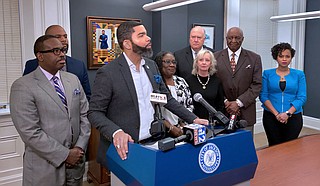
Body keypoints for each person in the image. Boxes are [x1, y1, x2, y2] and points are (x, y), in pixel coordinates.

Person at [88, 21, 208, 164]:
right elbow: (94, 112)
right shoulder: (108, 73)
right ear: (127, 44)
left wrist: (193, 119)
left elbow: (167, 99)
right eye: (141, 35)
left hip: (154, 144)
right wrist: (116, 132)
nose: (148, 38)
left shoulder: (151, 66)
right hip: (127, 148)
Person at [10, 35, 91, 186]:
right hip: (44, 168)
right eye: (55, 51)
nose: (62, 54)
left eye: (62, 50)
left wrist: (79, 148)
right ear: (40, 56)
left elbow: (84, 115)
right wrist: (65, 155)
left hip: (76, 164)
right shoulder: (22, 86)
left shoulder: (73, 79)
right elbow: (30, 132)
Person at [214, 27, 262, 134]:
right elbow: (213, 85)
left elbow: (257, 85)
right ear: (226, 39)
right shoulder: (215, 57)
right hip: (223, 112)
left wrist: (238, 103)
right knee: (225, 146)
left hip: (246, 112)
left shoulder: (254, 58)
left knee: (245, 146)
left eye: (237, 38)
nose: (234, 41)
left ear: (243, 39)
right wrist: (226, 102)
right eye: (230, 38)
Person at [23, 25, 91, 100]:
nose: (63, 40)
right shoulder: (32, 65)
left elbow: (86, 96)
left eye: (65, 36)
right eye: (58, 37)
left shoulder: (78, 65)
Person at [260, 42, 307, 146]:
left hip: (293, 116)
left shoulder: (299, 74)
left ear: (291, 58)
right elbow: (263, 95)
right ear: (276, 57)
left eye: (287, 56)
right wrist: (277, 114)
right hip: (271, 116)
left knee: (290, 147)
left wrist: (288, 114)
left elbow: (302, 97)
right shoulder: (267, 74)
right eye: (281, 56)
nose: (284, 59)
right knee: (273, 146)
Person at [154, 51, 194, 137]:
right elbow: (152, 111)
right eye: (167, 62)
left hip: (181, 130)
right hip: (161, 132)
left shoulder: (181, 82)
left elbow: (189, 105)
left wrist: (183, 124)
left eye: (174, 62)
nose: (172, 65)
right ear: (159, 64)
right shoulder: (155, 84)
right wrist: (170, 127)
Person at [186, 49, 225, 122]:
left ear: (211, 63)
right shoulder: (188, 80)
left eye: (207, 60)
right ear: (196, 62)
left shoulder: (216, 81)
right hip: (193, 122)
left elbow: (220, 105)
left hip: (212, 123)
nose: (204, 63)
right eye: (201, 60)